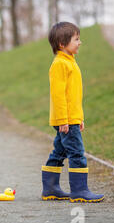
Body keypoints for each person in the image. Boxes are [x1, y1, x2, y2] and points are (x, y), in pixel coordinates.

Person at [41, 22, 104, 203]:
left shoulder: (69, 62)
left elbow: (73, 96)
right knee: (76, 153)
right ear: (62, 44)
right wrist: (64, 120)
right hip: (65, 120)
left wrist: (79, 118)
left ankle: (50, 189)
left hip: (71, 119)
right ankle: (79, 191)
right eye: (76, 39)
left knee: (59, 152)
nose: (80, 42)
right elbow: (58, 95)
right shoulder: (60, 64)